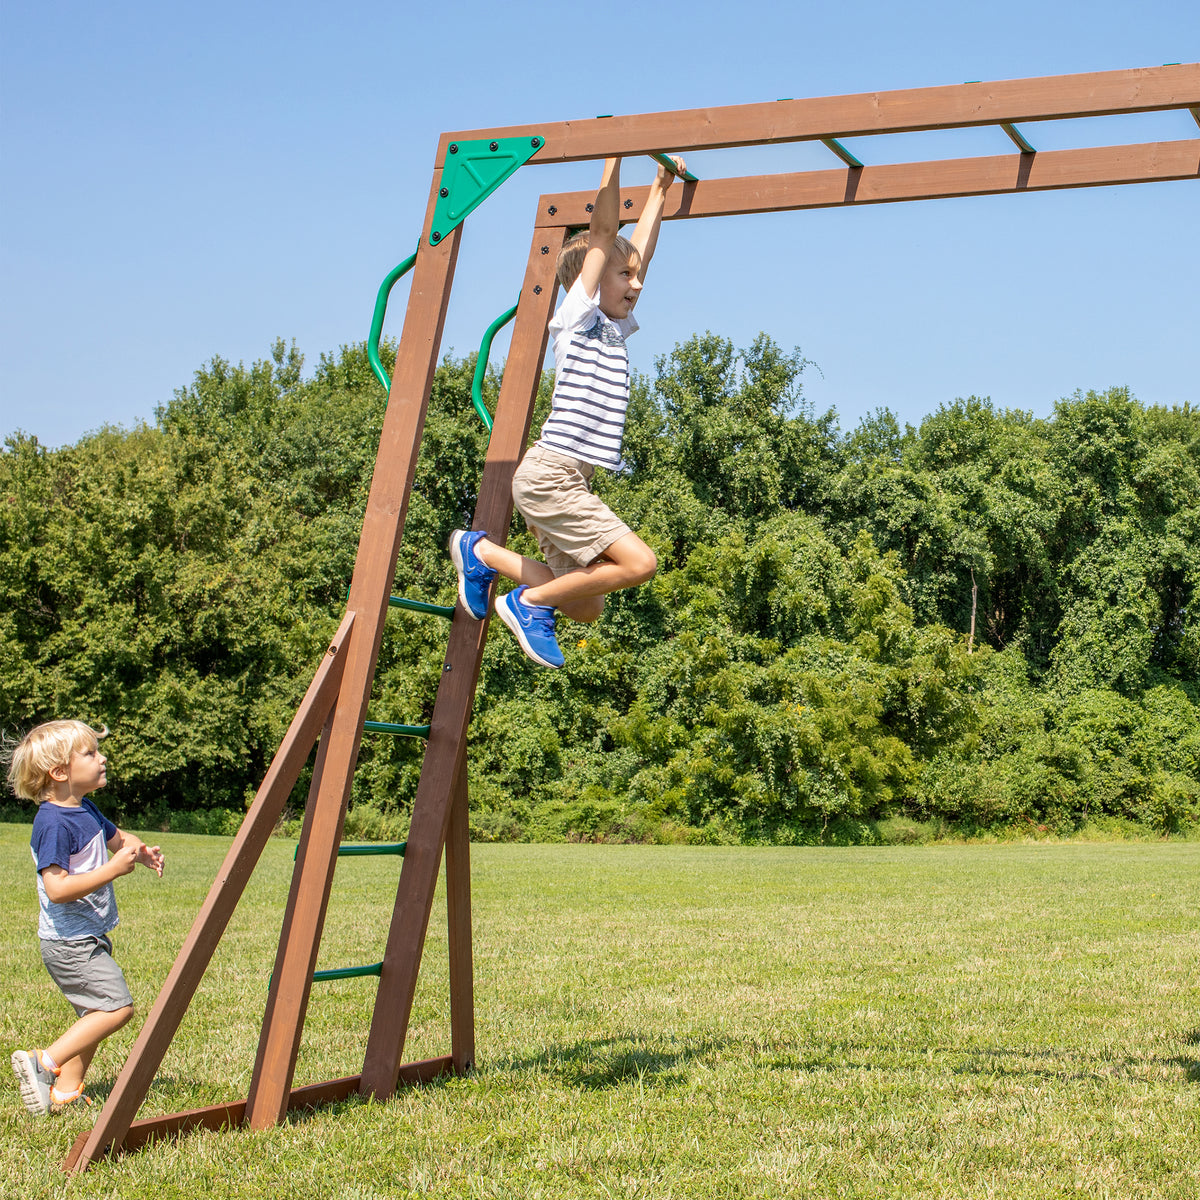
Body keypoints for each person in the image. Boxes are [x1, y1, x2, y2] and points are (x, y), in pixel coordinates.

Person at [450, 153, 686, 668]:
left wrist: (660, 190)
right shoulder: (578, 315)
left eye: (636, 276)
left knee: (585, 604)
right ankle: (527, 603)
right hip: (551, 475)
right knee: (639, 563)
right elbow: (604, 233)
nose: (637, 285)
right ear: (592, 278)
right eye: (624, 276)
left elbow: (639, 249)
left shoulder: (614, 327)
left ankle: (481, 553)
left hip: (570, 480)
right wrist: (613, 156)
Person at [6, 720, 164, 1116]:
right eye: (91, 753)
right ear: (60, 772)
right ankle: (43, 1062)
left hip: (88, 935)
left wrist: (141, 852)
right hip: (68, 943)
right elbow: (57, 889)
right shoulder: (53, 823)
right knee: (115, 1008)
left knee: (93, 1012)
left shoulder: (84, 809)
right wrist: (112, 870)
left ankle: (65, 1091)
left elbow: (119, 838)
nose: (102, 758)